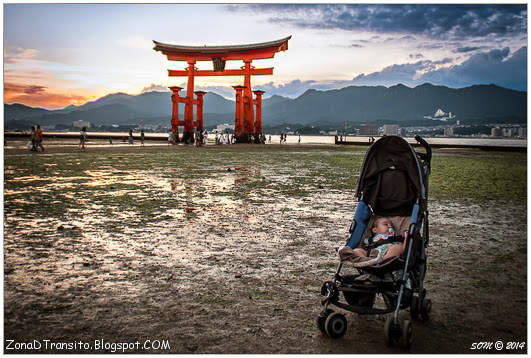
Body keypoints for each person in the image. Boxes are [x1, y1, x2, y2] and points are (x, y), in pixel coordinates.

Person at [338, 217, 408, 267]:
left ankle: (382, 262)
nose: (390, 226)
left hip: (387, 255)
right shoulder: (370, 240)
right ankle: (364, 260)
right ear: (375, 230)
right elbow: (365, 246)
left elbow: (404, 250)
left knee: (397, 248)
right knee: (358, 250)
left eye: (391, 225)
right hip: (371, 255)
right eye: (385, 224)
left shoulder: (397, 238)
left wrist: (406, 239)